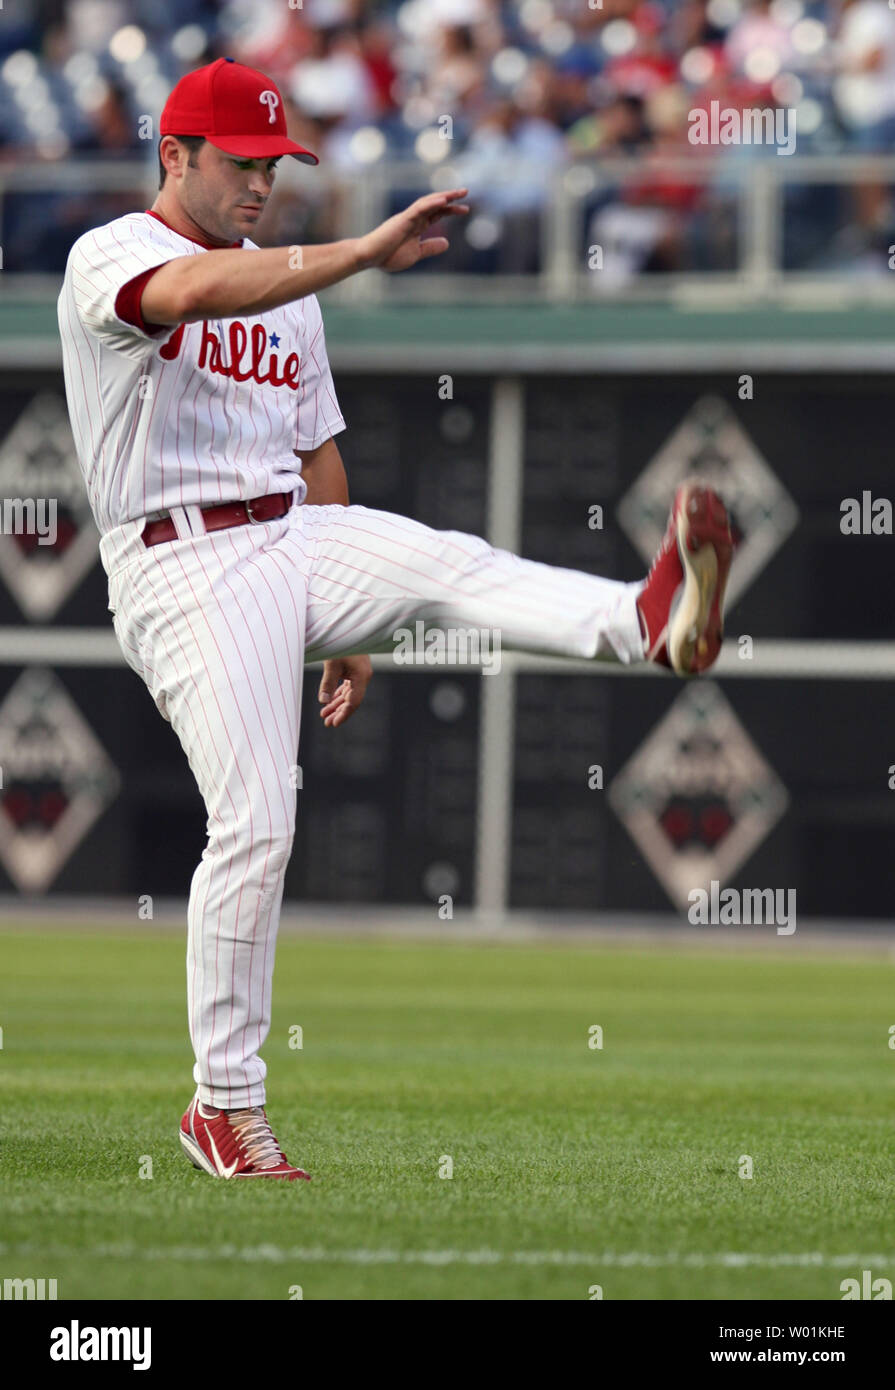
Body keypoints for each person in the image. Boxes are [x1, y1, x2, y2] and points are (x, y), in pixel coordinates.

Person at [57, 58, 733, 1180]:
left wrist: (352, 623)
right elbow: (192, 297)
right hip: (181, 562)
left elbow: (318, 456)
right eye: (240, 162)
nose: (262, 182)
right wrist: (362, 252)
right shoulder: (113, 253)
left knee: (440, 562)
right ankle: (221, 1104)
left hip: (289, 534)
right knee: (259, 822)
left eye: (275, 165)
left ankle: (648, 617)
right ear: (173, 155)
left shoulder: (291, 290)